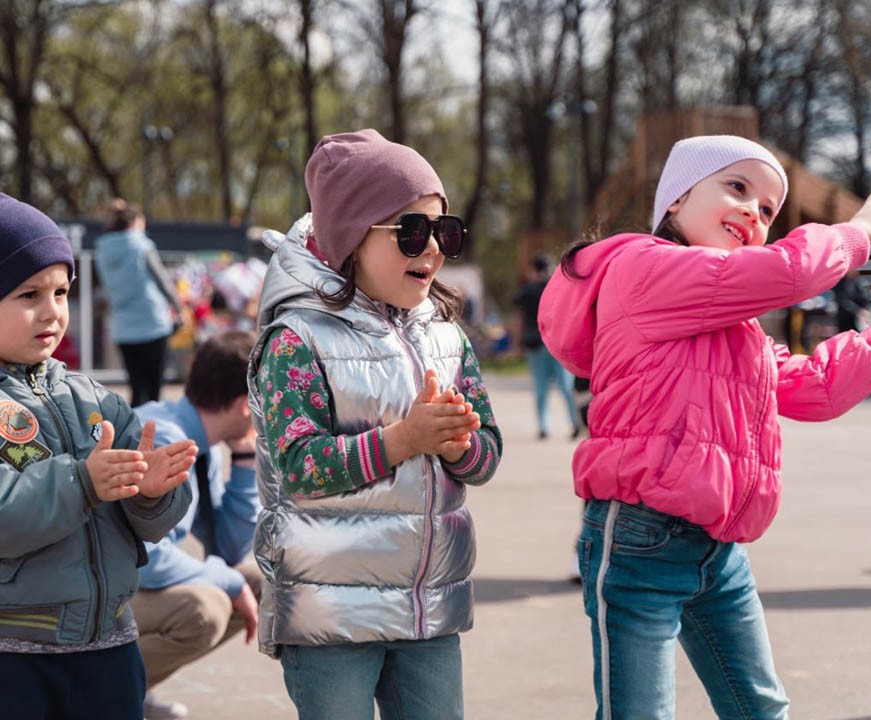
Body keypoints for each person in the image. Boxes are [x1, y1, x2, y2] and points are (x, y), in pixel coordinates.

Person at [537, 135, 871, 720]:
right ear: (674, 202)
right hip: (640, 537)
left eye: (769, 209)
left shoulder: (735, 325)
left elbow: (813, 390)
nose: (755, 210)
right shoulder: (644, 269)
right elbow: (792, 270)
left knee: (759, 708)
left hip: (718, 547)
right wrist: (859, 230)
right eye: (737, 187)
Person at [248, 129, 502, 720]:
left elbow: (487, 454)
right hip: (329, 615)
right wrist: (404, 439)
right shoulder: (296, 338)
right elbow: (300, 469)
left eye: (445, 231)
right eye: (411, 232)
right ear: (351, 238)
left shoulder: (445, 335)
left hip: (429, 607)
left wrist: (458, 442)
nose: (432, 249)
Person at [0, 193, 197, 720]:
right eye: (28, 294)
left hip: (109, 645)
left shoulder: (95, 398)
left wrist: (153, 492)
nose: (52, 311)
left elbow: (149, 522)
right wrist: (81, 482)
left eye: (62, 292)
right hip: (14, 657)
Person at [131, 330, 261, 720]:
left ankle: (135, 691)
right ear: (243, 405)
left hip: (119, 587)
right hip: (86, 594)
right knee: (205, 608)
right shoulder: (169, 442)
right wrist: (228, 581)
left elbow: (228, 549)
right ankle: (92, 694)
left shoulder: (195, 439)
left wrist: (244, 462)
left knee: (260, 579)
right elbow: (147, 558)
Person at [94, 198, 184, 407]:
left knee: (136, 386)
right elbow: (161, 279)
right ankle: (154, 433)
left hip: (122, 326)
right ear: (134, 222)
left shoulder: (102, 251)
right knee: (154, 389)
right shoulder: (141, 245)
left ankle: (133, 433)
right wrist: (178, 307)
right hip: (151, 321)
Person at [513, 252, 580, 439]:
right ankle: (575, 422)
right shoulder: (558, 286)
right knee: (566, 386)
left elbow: (517, 307)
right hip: (558, 343)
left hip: (534, 343)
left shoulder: (528, 290)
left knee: (541, 387)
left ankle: (543, 426)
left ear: (534, 270)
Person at [832, 267, 871, 333]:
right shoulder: (840, 283)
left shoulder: (860, 282)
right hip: (845, 319)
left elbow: (865, 298)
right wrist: (857, 311)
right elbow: (842, 300)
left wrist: (865, 310)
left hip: (858, 320)